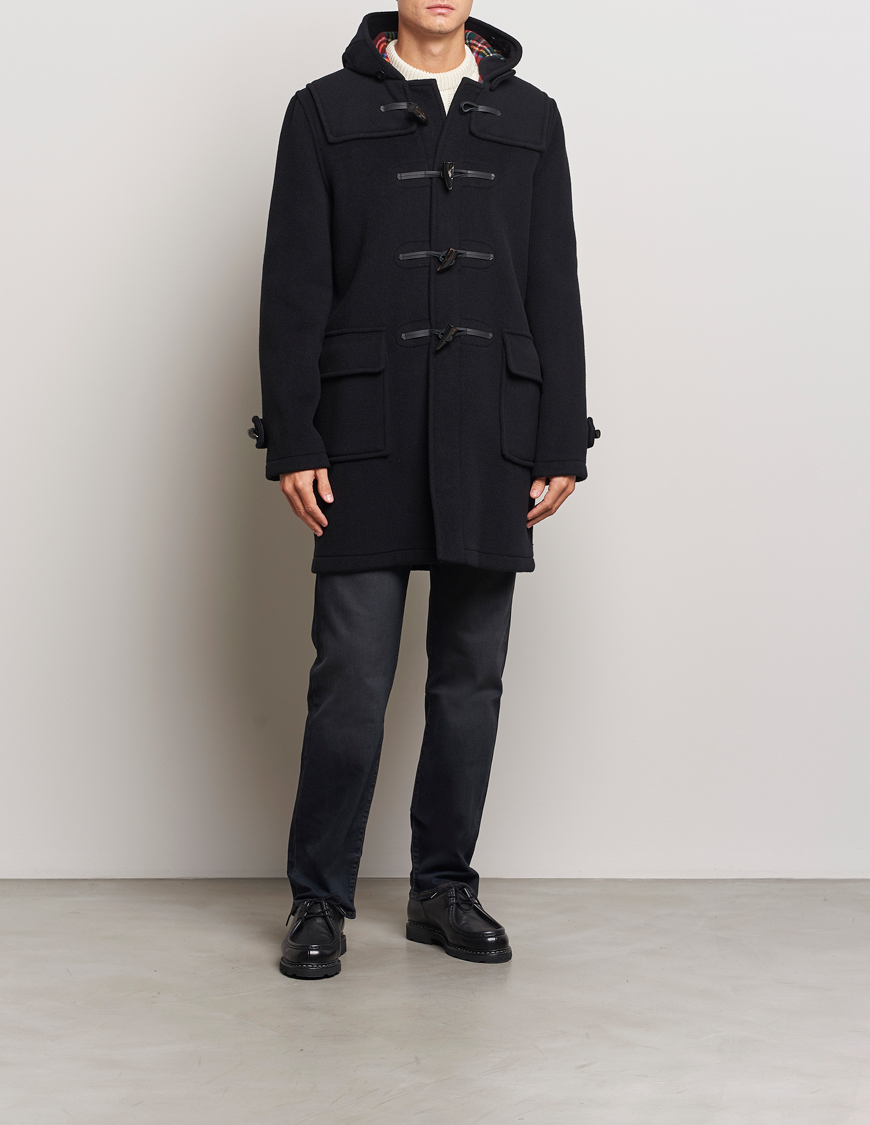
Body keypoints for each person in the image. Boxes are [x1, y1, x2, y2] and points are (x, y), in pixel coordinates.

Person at [250, 1, 599, 980]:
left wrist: (561, 436)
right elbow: (293, 282)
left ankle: (444, 888)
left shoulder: (530, 114)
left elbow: (553, 278)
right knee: (351, 678)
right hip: (364, 427)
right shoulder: (321, 110)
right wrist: (294, 436)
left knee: (469, 677)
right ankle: (320, 899)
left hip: (493, 424)